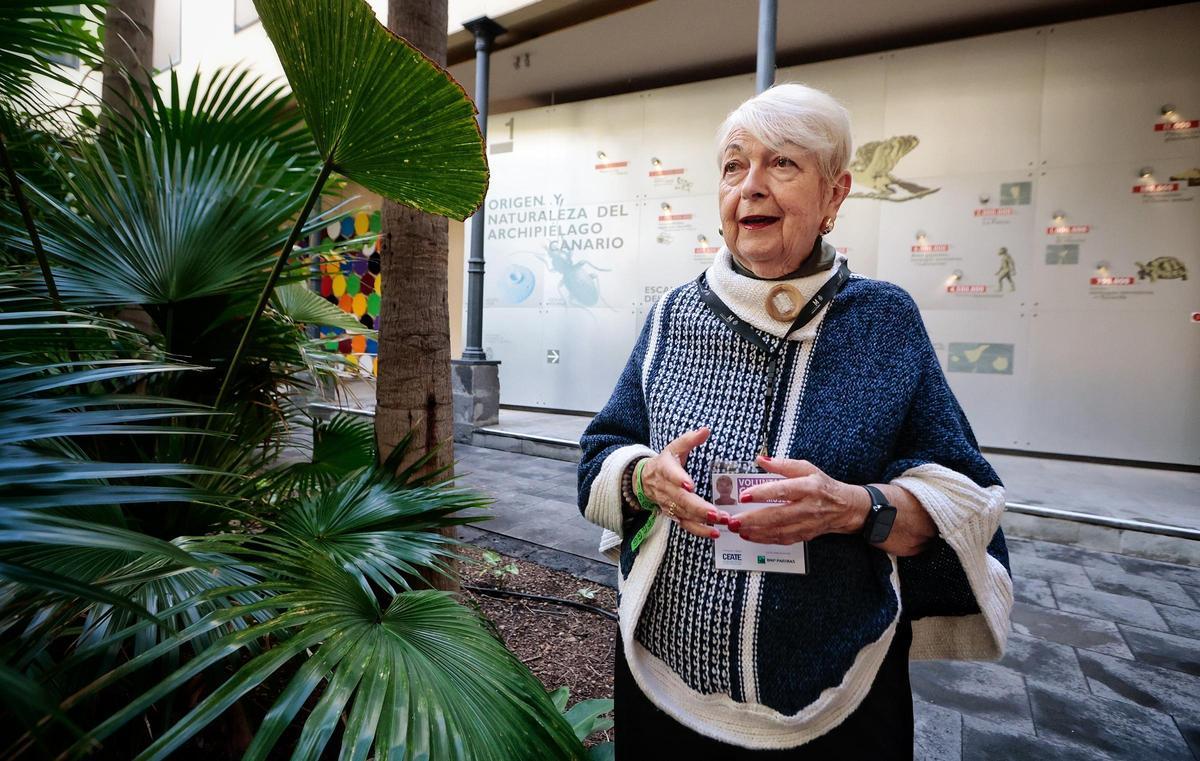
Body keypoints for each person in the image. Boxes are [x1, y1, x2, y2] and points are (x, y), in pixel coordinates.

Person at [577, 83, 1012, 759]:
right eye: (733, 164)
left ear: (834, 196)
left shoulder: (883, 322)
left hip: (838, 703)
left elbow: (964, 492)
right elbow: (602, 450)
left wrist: (854, 508)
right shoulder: (671, 316)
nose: (749, 187)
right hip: (662, 685)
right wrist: (643, 480)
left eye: (782, 163)